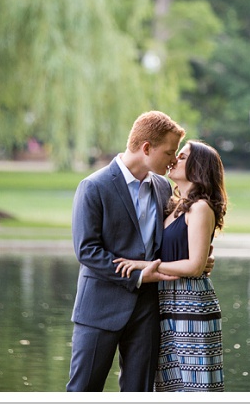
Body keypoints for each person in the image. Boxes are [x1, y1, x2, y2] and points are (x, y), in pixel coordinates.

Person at [66, 110, 214, 392]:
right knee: (83, 389)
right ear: (147, 148)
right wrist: (137, 276)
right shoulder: (93, 187)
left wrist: (200, 258)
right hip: (99, 308)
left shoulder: (162, 187)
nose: (174, 160)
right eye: (170, 152)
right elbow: (87, 250)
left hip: (147, 311)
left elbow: (177, 234)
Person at [114, 140, 226, 391]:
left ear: (198, 167)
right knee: (168, 385)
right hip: (166, 304)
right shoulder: (173, 205)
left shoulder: (200, 208)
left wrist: (143, 266)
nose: (174, 159)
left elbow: (195, 267)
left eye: (183, 156)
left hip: (192, 305)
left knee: (196, 385)